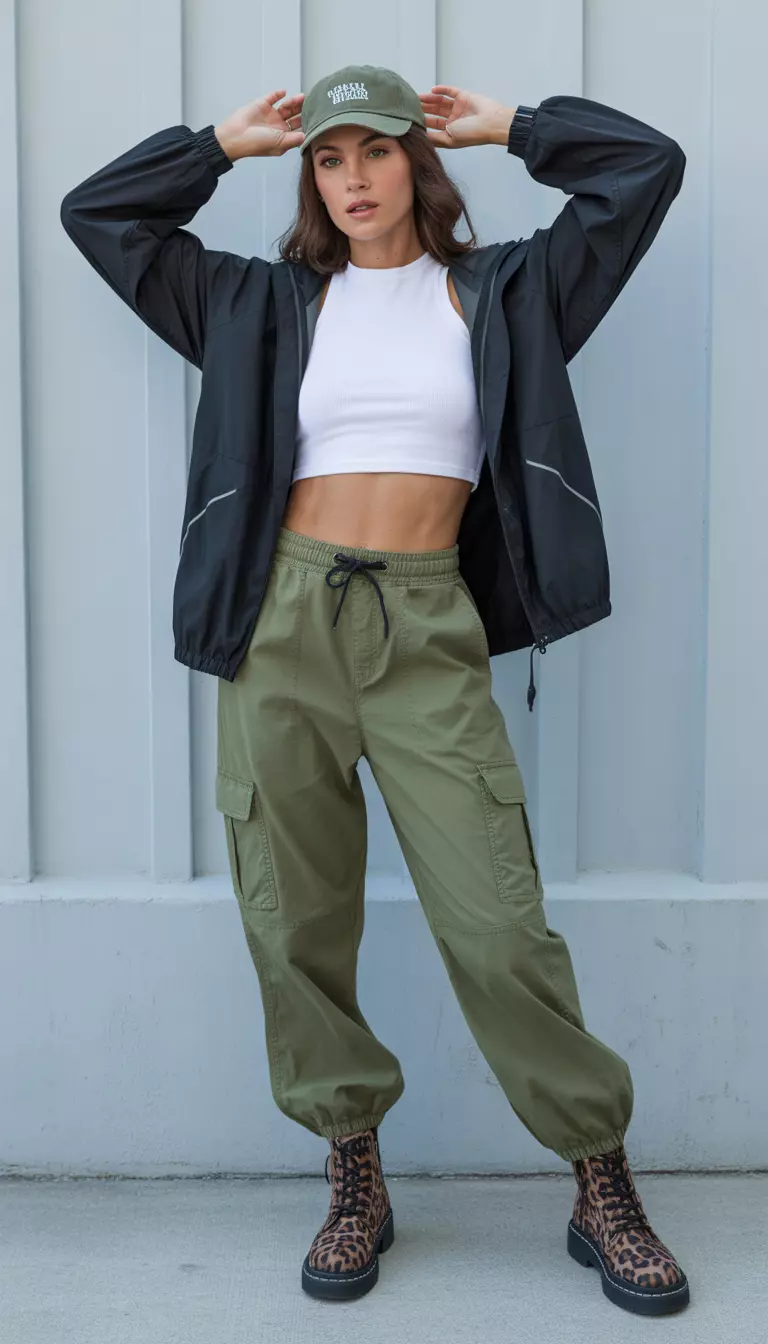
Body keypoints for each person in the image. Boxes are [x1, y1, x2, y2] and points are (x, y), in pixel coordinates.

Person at [60, 63, 689, 1315]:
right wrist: (220, 147)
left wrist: (514, 125)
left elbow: (644, 173)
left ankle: (598, 1174)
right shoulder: (253, 302)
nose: (352, 179)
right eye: (330, 160)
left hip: (424, 626)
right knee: (291, 920)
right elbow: (102, 216)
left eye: (377, 153)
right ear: (311, 180)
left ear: (420, 164)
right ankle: (355, 1170)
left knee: (497, 921)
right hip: (279, 624)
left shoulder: (506, 290)